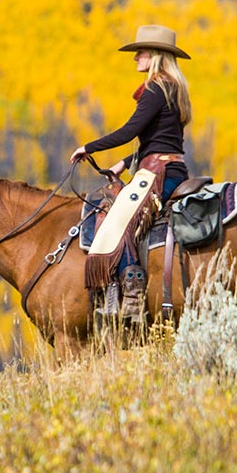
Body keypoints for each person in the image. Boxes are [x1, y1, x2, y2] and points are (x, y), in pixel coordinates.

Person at [69, 24, 192, 324]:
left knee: (118, 220)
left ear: (157, 56)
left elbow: (130, 131)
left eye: (142, 51)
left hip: (157, 173)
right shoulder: (173, 89)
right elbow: (162, 138)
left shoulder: (156, 88)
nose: (136, 56)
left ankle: (133, 295)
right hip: (168, 167)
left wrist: (89, 147)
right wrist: (125, 163)